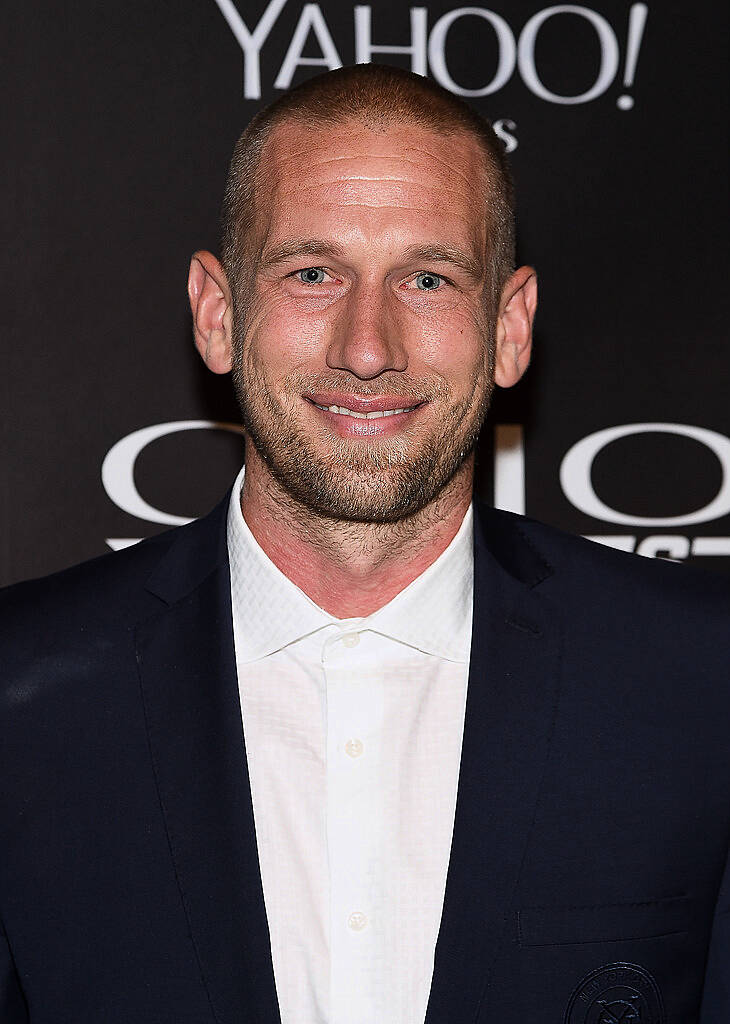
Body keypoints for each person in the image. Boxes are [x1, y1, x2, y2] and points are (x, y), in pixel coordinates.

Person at [0, 63, 728, 1024]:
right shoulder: (19, 696)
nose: (368, 346)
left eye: (426, 278)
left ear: (510, 328)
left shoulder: (703, 680)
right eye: (313, 273)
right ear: (218, 314)